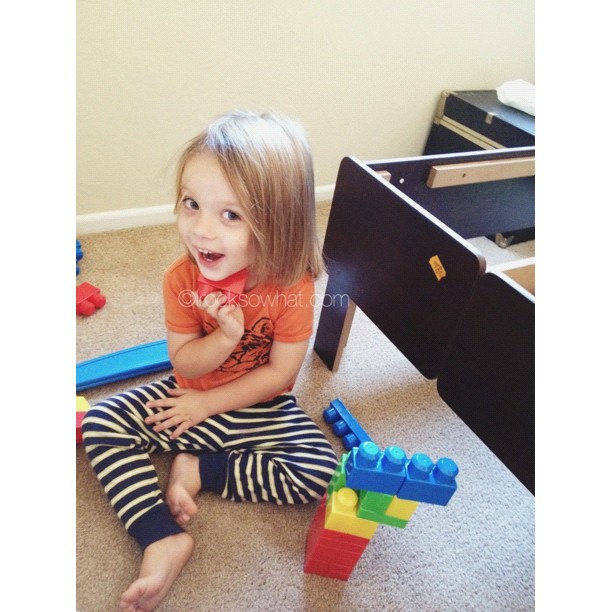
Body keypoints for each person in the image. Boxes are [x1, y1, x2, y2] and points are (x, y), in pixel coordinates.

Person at [81, 110, 339, 611]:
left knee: (321, 471)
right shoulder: (180, 280)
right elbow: (185, 363)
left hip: (258, 405)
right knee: (101, 421)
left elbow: (281, 374)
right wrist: (223, 340)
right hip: (189, 394)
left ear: (279, 223)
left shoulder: (292, 286)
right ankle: (161, 537)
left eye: (231, 215)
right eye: (192, 204)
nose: (201, 230)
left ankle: (202, 468)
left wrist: (211, 408)